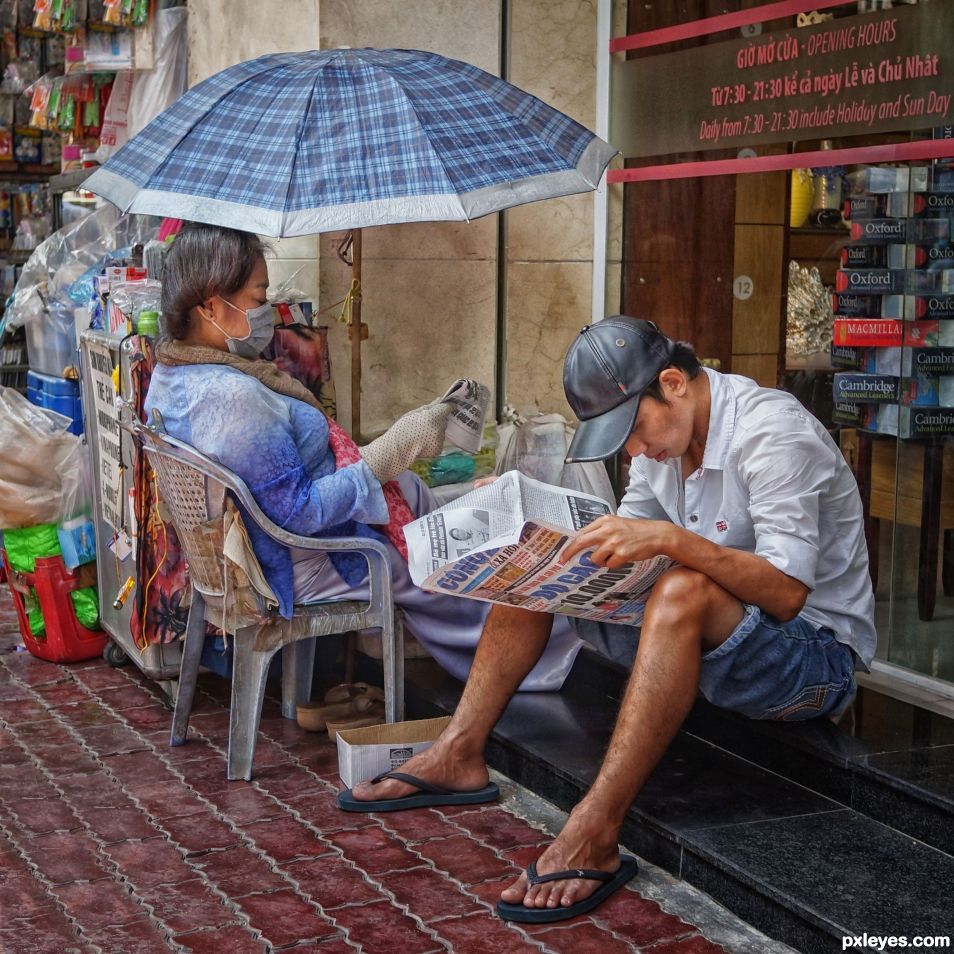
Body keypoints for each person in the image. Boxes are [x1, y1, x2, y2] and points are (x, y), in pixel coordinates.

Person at [341, 315, 876, 925]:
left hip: (811, 661)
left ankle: (595, 829)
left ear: (673, 383)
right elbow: (631, 541)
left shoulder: (772, 434)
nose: (635, 451)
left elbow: (784, 595)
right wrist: (559, 551)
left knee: (680, 589)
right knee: (539, 563)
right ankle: (459, 751)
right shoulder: (664, 439)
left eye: (635, 430)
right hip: (709, 639)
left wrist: (671, 540)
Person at [143, 223, 581, 688]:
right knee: (463, 569)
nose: (267, 311)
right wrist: (390, 452)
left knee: (480, 516)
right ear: (211, 304)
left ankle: (542, 625)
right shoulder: (232, 399)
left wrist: (389, 458)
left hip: (322, 528)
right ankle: (541, 660)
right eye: (258, 299)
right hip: (316, 557)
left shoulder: (173, 374)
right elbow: (299, 513)